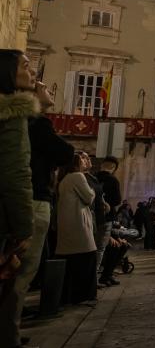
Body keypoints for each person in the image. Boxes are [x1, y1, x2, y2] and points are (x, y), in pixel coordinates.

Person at [13, 82, 73, 330]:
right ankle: (9, 331)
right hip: (35, 199)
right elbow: (65, 152)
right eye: (41, 86)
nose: (49, 88)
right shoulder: (37, 123)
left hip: (31, 197)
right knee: (24, 270)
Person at [0, 50, 39, 348]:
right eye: (26, 66)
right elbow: (16, 174)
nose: (33, 71)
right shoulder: (12, 113)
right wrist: (25, 227)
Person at [55, 152, 98, 305]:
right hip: (78, 223)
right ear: (76, 162)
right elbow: (89, 197)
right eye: (84, 158)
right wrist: (93, 190)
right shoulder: (78, 177)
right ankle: (83, 295)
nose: (87, 161)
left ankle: (69, 295)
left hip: (68, 223)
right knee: (86, 258)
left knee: (71, 261)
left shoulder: (64, 178)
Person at [94, 156, 122, 272]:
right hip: (106, 218)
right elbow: (117, 200)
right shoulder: (113, 180)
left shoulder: (93, 177)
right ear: (114, 167)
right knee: (100, 248)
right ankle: (94, 278)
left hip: (92, 216)